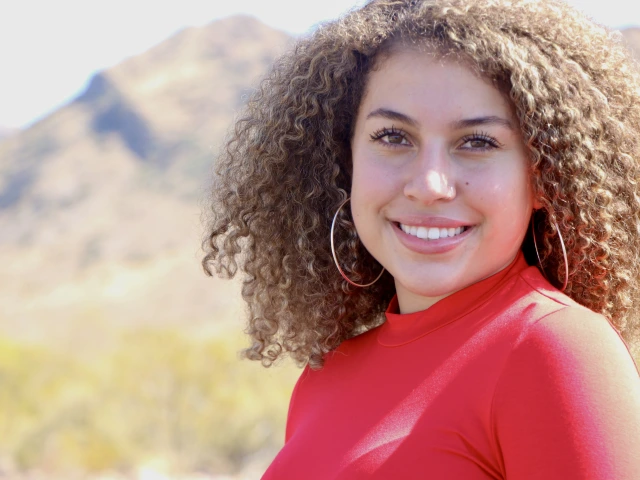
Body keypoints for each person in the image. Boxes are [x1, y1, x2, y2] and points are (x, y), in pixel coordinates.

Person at [202, 0, 640, 477]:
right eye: (393, 136)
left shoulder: (555, 349)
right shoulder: (325, 378)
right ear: (343, 161)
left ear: (545, 177)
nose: (429, 185)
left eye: (478, 142)